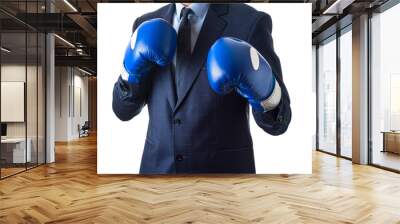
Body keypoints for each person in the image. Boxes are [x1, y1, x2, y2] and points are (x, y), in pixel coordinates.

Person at [112, 3, 292, 174]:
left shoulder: (250, 21)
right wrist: (130, 71)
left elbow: (278, 122)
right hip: (157, 173)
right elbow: (122, 111)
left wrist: (263, 87)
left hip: (222, 182)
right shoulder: (144, 23)